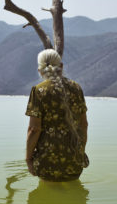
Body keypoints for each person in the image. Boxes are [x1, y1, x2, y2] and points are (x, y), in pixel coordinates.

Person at [25, 49, 89, 181]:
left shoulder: (39, 91)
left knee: (46, 199)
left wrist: (28, 159)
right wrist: (81, 151)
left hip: (47, 162)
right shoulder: (76, 88)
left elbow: (34, 129)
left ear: (40, 70)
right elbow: (84, 125)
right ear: (61, 66)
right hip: (74, 160)